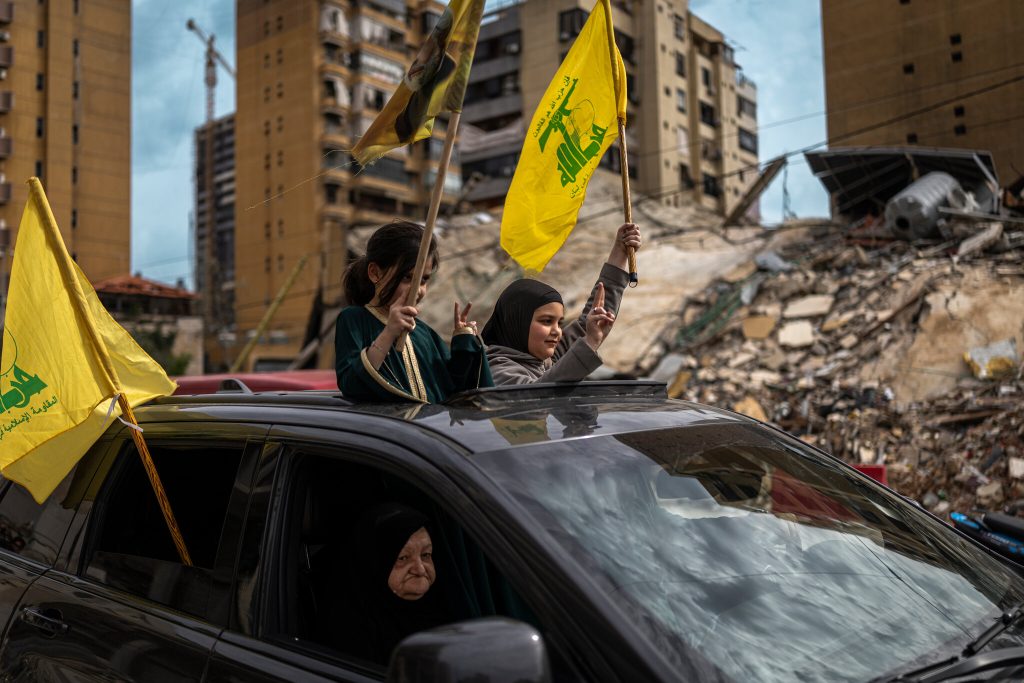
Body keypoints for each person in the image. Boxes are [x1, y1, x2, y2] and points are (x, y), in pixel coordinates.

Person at [335, 221, 492, 402]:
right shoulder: (354, 319)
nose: (417, 289)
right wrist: (389, 333)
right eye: (407, 277)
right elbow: (351, 385)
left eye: (423, 280)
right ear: (375, 273)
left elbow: (452, 391)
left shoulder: (426, 334)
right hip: (391, 428)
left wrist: (465, 342)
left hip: (429, 429)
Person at [481, 223, 641, 385]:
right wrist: (590, 342)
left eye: (560, 323)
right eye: (546, 321)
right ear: (516, 323)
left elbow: (590, 322)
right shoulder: (497, 372)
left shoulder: (546, 361)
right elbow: (539, 395)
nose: (557, 331)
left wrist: (621, 251)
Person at [342, 502, 452, 665]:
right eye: (403, 558)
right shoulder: (351, 627)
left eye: (426, 555)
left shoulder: (446, 603)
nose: (420, 569)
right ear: (374, 565)